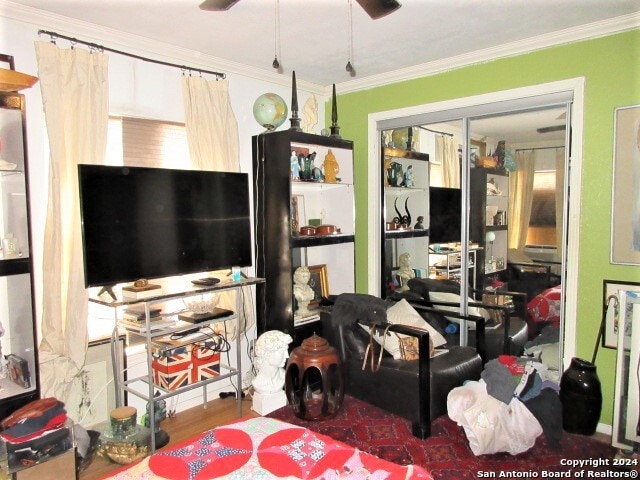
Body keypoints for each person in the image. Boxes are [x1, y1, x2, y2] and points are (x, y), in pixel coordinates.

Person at [251, 330, 293, 395]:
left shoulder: (283, 375)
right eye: (282, 351)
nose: (287, 356)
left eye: (286, 351)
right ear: (267, 353)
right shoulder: (258, 383)